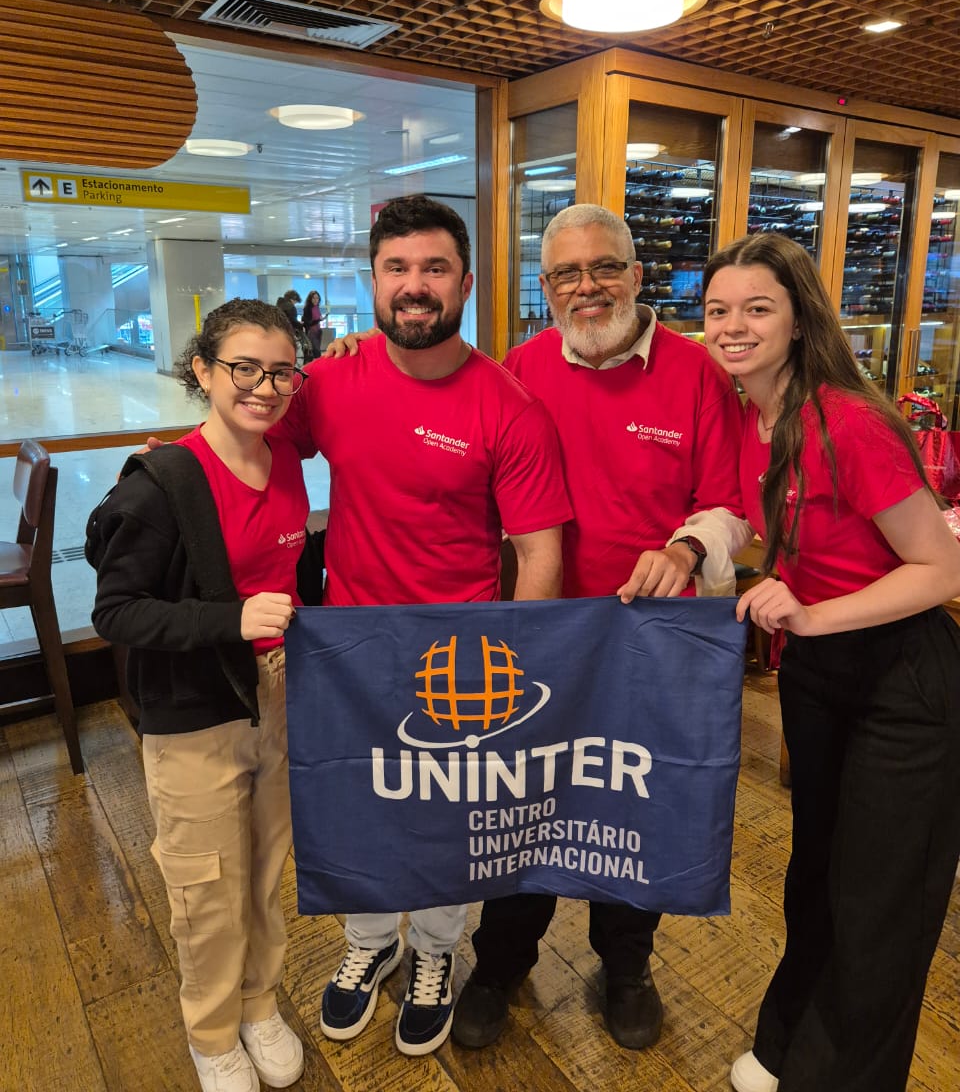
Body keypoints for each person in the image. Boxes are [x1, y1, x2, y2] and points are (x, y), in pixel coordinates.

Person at [273, 193, 571, 1058]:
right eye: (396, 268)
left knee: (448, 817)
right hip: (351, 647)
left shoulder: (509, 407)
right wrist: (173, 464)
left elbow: (539, 554)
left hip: (462, 654)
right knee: (362, 807)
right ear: (371, 281)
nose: (414, 285)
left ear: (465, 283)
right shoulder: (330, 381)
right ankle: (370, 943)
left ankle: (437, 951)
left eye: (434, 268)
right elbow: (251, 439)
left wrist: (519, 669)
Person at [452, 203, 753, 1052]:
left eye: (605, 267)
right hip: (542, 633)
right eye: (566, 274)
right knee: (522, 804)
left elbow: (732, 506)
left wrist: (687, 548)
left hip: (651, 640)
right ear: (545, 288)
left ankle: (626, 965)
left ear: (637, 274)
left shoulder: (697, 373)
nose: (587, 287)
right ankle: (499, 963)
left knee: (632, 810)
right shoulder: (518, 369)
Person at [701, 233, 960, 1092]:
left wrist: (810, 612)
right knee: (815, 875)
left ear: (799, 319)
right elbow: (786, 531)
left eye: (757, 308)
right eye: (718, 310)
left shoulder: (847, 420)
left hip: (901, 679)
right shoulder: (750, 416)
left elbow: (941, 570)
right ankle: (787, 1046)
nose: (733, 326)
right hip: (817, 673)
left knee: (880, 903)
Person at [91, 299, 310, 1092]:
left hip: (279, 696)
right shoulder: (164, 484)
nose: (264, 387)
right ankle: (212, 1033)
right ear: (202, 371)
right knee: (206, 887)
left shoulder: (284, 458)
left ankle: (259, 1002)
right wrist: (232, 619)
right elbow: (116, 611)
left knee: (264, 870)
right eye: (243, 368)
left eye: (281, 372)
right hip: (194, 714)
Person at [300, 288, 327, 360]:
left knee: (317, 351)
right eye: (313, 298)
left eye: (317, 298)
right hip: (311, 332)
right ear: (310, 299)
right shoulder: (307, 308)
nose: (315, 300)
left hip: (318, 331)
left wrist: (321, 319)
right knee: (316, 352)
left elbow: (317, 319)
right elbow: (308, 323)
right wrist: (319, 320)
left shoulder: (317, 307)